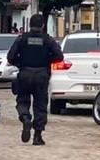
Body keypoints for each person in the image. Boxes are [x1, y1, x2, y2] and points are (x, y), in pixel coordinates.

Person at [6, 14, 64, 146]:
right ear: (43, 25)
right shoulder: (48, 40)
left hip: (25, 73)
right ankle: (37, 136)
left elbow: (10, 57)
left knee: (22, 100)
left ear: (29, 25)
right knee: (40, 105)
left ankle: (25, 117)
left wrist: (20, 63)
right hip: (42, 75)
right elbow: (59, 56)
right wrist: (47, 60)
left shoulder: (22, 39)